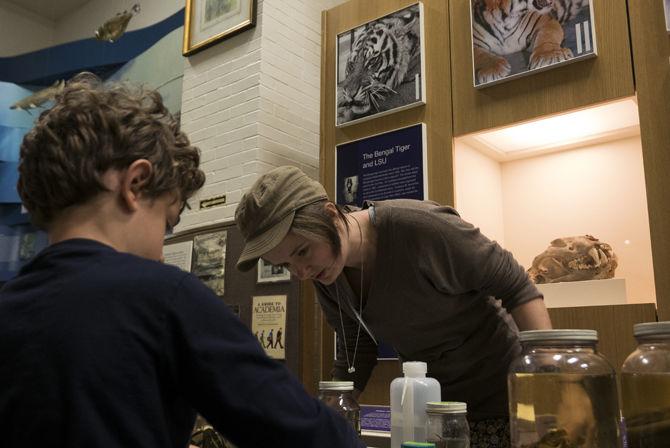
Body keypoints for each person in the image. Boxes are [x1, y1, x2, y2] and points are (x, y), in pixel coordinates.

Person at [0, 75, 365, 448]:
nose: (161, 251)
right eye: (167, 223)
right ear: (136, 184)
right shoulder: (164, 297)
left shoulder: (8, 308)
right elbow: (309, 435)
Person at [235, 166, 553, 447]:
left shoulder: (418, 228)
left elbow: (516, 286)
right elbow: (355, 349)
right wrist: (325, 416)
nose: (301, 273)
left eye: (302, 252)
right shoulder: (327, 272)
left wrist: (544, 390)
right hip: (435, 411)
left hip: (507, 401)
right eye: (286, 265)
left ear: (331, 216)